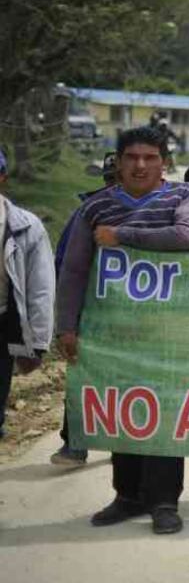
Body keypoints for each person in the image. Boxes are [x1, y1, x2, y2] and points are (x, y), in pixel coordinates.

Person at [55, 126, 189, 535]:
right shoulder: (94, 208)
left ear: (164, 162)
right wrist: (66, 327)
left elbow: (186, 237)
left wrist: (121, 235)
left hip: (170, 331)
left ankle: (164, 502)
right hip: (115, 334)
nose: (140, 165)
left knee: (165, 413)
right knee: (123, 413)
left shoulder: (185, 196)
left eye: (150, 157)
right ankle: (127, 495)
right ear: (118, 162)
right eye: (132, 157)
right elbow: (74, 271)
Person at [50, 152, 117, 467]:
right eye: (111, 178)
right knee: (83, 377)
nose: (115, 184)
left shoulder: (154, 212)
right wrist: (67, 321)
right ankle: (74, 443)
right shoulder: (86, 214)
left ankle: (128, 443)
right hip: (93, 315)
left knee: (136, 380)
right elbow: (65, 266)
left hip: (140, 318)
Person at [0, 149, 56, 442]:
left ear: (2, 178)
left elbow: (41, 288)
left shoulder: (26, 227)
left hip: (4, 319)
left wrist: (38, 342)